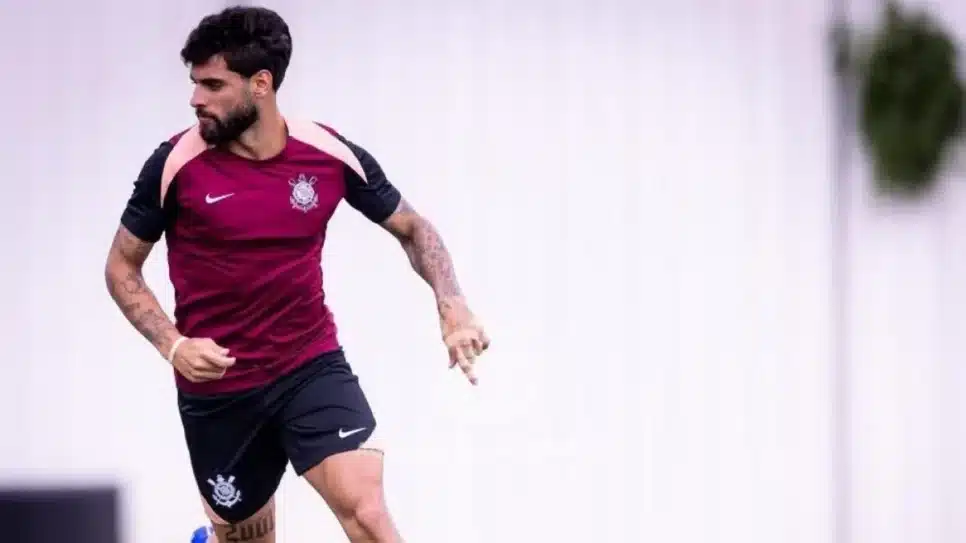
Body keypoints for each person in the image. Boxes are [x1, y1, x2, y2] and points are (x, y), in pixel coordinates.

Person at [103, 6, 489, 543]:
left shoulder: (326, 153)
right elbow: (121, 265)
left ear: (261, 84)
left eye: (213, 85)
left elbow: (413, 227)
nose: (195, 99)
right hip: (220, 389)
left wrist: (452, 304)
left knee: (368, 513)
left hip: (308, 365)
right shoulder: (174, 165)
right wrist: (174, 345)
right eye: (194, 83)